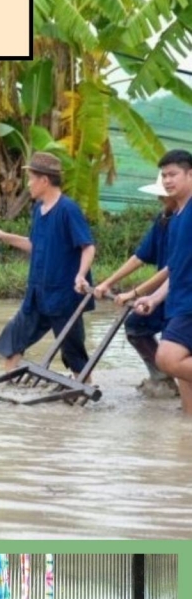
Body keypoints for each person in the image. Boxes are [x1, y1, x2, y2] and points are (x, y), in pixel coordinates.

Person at [0, 151, 95, 375]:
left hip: (64, 295)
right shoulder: (38, 210)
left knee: (72, 350)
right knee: (14, 338)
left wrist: (81, 275)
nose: (28, 185)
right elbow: (34, 244)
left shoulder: (68, 209)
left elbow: (88, 246)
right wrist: (4, 236)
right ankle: (6, 389)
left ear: (44, 181)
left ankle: (85, 388)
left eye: (31, 179)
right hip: (37, 293)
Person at [91, 172, 178, 394]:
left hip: (182, 294)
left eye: (164, 196)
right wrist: (107, 283)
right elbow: (140, 256)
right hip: (165, 293)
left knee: (176, 346)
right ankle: (162, 379)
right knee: (136, 325)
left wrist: (134, 293)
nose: (160, 200)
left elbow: (173, 269)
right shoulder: (163, 220)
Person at [132, 149, 192, 412]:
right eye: (164, 175)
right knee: (185, 388)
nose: (167, 181)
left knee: (167, 359)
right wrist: (154, 298)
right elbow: (176, 268)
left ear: (190, 175)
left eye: (174, 174)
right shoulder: (177, 216)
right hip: (178, 301)